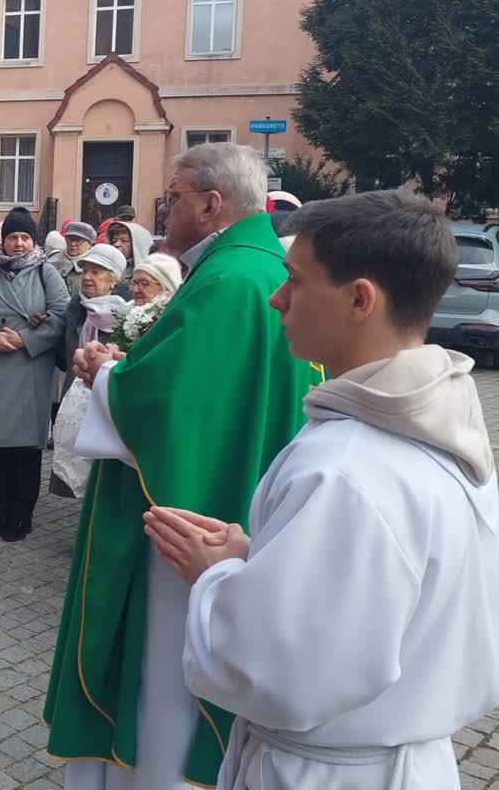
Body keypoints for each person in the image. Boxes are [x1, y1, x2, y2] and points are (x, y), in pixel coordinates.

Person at [145, 189, 499, 790]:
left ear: (360, 299)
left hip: (325, 771)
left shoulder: (344, 469)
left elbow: (279, 674)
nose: (277, 298)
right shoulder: (447, 424)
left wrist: (217, 577)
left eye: (296, 282)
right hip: (407, 756)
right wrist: (258, 560)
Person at [45, 142, 323, 789]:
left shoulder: (227, 282)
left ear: (211, 203)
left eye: (173, 197)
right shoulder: (260, 267)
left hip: (191, 511)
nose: (165, 209)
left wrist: (107, 375)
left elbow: (166, 403)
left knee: (166, 675)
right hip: (237, 484)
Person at [0, 208, 68, 541]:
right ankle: (4, 507)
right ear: (3, 241)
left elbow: (62, 313)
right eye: (12, 237)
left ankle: (23, 514)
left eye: (24, 237)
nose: (18, 244)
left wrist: (26, 338)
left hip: (29, 369)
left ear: (33, 240)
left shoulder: (46, 273)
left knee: (25, 448)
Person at [49, 243, 130, 500]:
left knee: (104, 468)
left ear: (113, 280)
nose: (87, 277)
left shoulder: (127, 317)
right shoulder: (76, 310)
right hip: (76, 398)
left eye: (97, 271)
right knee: (75, 463)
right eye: (85, 270)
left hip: (109, 403)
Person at [106, 218, 154, 295]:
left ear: (138, 245)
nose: (116, 244)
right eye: (114, 241)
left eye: (124, 240)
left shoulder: (150, 274)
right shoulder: (105, 268)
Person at [51, 220, 97, 296]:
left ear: (90, 243)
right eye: (70, 239)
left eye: (78, 240)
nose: (72, 244)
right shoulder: (52, 262)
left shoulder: (97, 264)